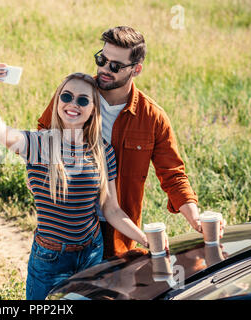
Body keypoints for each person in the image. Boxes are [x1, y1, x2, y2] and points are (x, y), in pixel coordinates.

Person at [37, 26, 226, 259]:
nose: (105, 69)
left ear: (136, 69)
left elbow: (173, 176)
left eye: (115, 66)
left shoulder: (152, 118)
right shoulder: (73, 96)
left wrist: (196, 219)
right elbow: (43, 137)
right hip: (67, 226)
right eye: (102, 60)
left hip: (119, 228)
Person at [0, 65, 151, 300]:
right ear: (58, 102)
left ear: (93, 109)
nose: (73, 104)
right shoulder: (40, 144)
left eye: (82, 100)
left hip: (92, 251)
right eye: (67, 97)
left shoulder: (102, 151)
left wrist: (144, 239)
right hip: (51, 257)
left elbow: (111, 209)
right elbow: (0, 131)